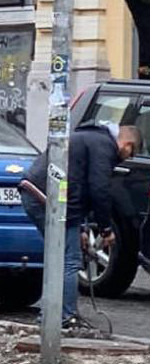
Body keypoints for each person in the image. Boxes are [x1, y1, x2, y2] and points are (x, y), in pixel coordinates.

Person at [19, 122, 142, 328]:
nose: (127, 158)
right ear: (128, 144)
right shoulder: (105, 147)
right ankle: (64, 317)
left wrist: (82, 228)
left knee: (58, 257)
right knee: (69, 259)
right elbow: (98, 189)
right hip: (46, 197)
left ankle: (51, 315)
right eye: (131, 153)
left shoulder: (93, 139)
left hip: (39, 192)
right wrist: (105, 229)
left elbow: (78, 185)